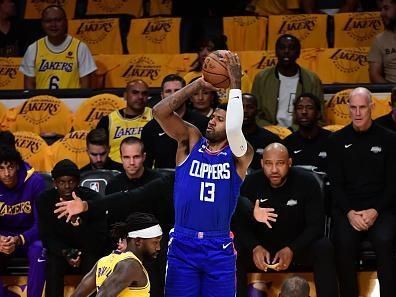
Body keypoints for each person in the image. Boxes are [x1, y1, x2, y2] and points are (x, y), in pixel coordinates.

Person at [152, 51, 253, 297]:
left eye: (220, 119)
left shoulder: (241, 154)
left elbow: (234, 128)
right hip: (183, 243)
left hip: (218, 246)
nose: (212, 121)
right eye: (213, 116)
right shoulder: (191, 140)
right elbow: (159, 112)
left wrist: (235, 83)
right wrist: (199, 83)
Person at [241, 143, 339, 297]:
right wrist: (254, 247)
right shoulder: (250, 184)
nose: (274, 170)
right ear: (261, 164)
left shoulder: (307, 182)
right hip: (262, 247)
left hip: (298, 245)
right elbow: (239, 225)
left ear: (289, 163)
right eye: (268, 163)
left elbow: (316, 226)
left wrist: (292, 248)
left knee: (323, 247)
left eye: (280, 163)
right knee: (231, 249)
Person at [328, 87, 396, 297]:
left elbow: (393, 183)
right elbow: (335, 184)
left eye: (362, 107)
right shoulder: (336, 140)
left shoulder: (390, 139)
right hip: (349, 210)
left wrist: (375, 210)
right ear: (348, 108)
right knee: (343, 242)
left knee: (386, 241)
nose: (357, 113)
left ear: (372, 107)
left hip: (381, 209)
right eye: (353, 107)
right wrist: (349, 212)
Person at [37, 159, 106, 297]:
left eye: (71, 181)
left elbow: (99, 238)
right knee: (53, 263)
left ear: (78, 182)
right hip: (60, 251)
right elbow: (46, 236)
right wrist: (65, 252)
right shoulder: (44, 200)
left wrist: (78, 221)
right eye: (62, 182)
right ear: (54, 183)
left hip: (88, 249)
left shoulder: (92, 199)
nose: (67, 186)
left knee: (93, 261)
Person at [71, 212, 162, 297]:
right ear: (138, 241)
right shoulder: (131, 265)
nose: (158, 248)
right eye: (155, 242)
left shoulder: (104, 261)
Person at [0, 144, 46, 297]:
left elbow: (42, 224)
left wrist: (20, 239)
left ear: (18, 166)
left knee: (40, 249)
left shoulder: (35, 182)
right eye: (1, 168)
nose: (7, 174)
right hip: (3, 239)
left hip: (28, 237)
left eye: (10, 167)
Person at [252, 34, 323, 129]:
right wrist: (272, 130)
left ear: (298, 53)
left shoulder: (312, 80)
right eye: (282, 48)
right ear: (276, 52)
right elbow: (255, 114)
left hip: (301, 133)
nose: (286, 51)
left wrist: (293, 130)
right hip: (269, 132)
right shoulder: (261, 78)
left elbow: (319, 115)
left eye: (292, 48)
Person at [19, 5, 96, 89]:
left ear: (66, 22)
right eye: (48, 21)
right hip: (43, 101)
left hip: (71, 101)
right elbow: (28, 86)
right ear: (42, 24)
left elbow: (86, 86)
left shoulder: (80, 48)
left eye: (58, 20)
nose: (53, 25)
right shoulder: (33, 49)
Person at [141, 74, 208, 169]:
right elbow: (146, 165)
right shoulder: (150, 128)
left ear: (185, 94)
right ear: (162, 95)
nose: (173, 95)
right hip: (161, 180)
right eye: (168, 91)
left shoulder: (202, 122)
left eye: (177, 91)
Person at [96, 79, 152, 163]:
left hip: (146, 170)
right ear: (125, 95)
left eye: (144, 93)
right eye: (135, 92)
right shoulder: (108, 120)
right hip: (114, 171)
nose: (140, 97)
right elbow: (97, 149)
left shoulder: (155, 116)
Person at [284, 93, 331, 172]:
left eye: (309, 108)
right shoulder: (287, 144)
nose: (304, 112)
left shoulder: (332, 140)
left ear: (318, 113)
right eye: (299, 108)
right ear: (295, 114)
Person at [242, 93, 281, 170]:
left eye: (250, 107)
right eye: (241, 107)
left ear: (257, 110)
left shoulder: (271, 140)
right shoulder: (226, 138)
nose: (245, 111)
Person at [368, 0, 396, 83]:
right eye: (381, 9)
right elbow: (374, 74)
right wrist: (391, 91)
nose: (381, 13)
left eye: (386, 8)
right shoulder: (379, 40)